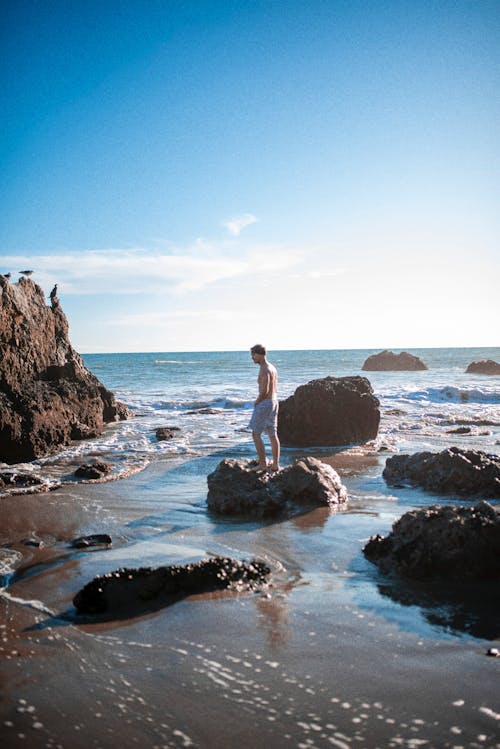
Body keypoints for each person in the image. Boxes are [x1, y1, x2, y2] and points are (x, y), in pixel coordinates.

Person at [248, 344, 280, 471]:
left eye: (254, 355)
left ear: (260, 354)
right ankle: (275, 464)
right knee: (273, 434)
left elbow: (265, 390)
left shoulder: (264, 369)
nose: (252, 358)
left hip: (265, 403)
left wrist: (257, 402)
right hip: (274, 402)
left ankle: (262, 464)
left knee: (256, 434)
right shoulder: (272, 367)